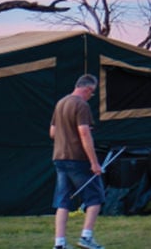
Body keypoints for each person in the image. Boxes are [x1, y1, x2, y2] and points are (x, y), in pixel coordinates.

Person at [49, 74, 106, 249]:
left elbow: (52, 133)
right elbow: (84, 133)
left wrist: (66, 136)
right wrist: (94, 163)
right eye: (92, 93)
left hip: (59, 158)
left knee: (63, 201)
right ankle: (86, 238)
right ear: (88, 89)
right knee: (95, 198)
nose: (91, 96)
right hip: (77, 159)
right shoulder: (81, 105)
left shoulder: (61, 103)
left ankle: (59, 243)